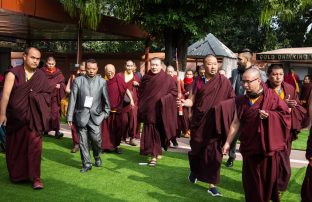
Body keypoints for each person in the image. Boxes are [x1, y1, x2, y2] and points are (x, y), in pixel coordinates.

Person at [222, 68, 291, 202]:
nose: (245, 85)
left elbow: (285, 117)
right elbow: (236, 122)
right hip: (249, 148)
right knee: (250, 182)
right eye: (243, 82)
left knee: (266, 182)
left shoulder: (271, 97)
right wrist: (227, 143)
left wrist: (270, 116)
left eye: (248, 82)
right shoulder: (241, 100)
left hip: (266, 148)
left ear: (259, 81)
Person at [179, 55, 235, 196]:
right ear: (204, 66)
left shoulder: (224, 82)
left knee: (214, 155)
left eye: (215, 64)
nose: (213, 66)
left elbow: (232, 101)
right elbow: (191, 100)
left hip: (216, 124)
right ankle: (195, 170)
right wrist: (186, 103)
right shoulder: (198, 82)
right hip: (199, 122)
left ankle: (211, 184)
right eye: (210, 64)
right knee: (196, 150)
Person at [0, 47, 51, 189]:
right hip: (16, 118)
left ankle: (35, 177)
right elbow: (5, 95)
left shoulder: (41, 76)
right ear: (24, 57)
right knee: (16, 148)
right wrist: (2, 114)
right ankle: (18, 175)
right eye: (32, 57)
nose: (35, 61)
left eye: (38, 58)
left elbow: (47, 96)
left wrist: (35, 96)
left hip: (34, 119)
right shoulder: (13, 74)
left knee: (35, 148)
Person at [265, 64, 306, 191]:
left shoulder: (289, 88)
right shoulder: (263, 89)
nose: (278, 77)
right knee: (269, 161)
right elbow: (259, 108)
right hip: (269, 131)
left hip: (286, 130)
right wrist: (283, 104)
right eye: (274, 74)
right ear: (268, 75)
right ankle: (268, 185)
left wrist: (294, 105)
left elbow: (298, 106)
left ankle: (278, 186)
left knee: (284, 161)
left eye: (281, 74)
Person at [226, 48, 267, 168]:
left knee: (251, 139)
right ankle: (231, 156)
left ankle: (250, 161)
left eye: (239, 59)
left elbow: (263, 91)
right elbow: (231, 88)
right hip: (238, 109)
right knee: (233, 134)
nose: (237, 61)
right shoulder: (235, 72)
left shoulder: (260, 73)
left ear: (247, 59)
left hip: (253, 111)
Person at [67, 59, 110, 173]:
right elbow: (73, 99)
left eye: (94, 69)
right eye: (89, 68)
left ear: (97, 69)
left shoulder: (102, 82)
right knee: (82, 141)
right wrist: (70, 116)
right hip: (81, 116)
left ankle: (96, 156)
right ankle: (86, 163)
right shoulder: (78, 81)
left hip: (96, 117)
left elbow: (107, 104)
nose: (91, 71)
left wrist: (104, 115)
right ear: (85, 68)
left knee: (96, 141)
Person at [138, 57, 177, 166]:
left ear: (161, 66)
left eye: (156, 65)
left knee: (158, 133)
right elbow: (141, 94)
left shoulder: (167, 79)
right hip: (149, 110)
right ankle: (153, 156)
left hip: (161, 111)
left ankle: (156, 151)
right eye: (153, 65)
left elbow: (173, 92)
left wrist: (164, 99)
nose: (154, 67)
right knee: (151, 134)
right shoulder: (146, 78)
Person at [101, 64, 134, 154]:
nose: (110, 73)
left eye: (111, 71)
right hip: (107, 110)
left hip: (118, 109)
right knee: (106, 130)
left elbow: (126, 89)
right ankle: (106, 147)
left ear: (114, 71)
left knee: (118, 129)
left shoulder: (118, 79)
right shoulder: (103, 82)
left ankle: (117, 146)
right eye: (108, 72)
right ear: (105, 72)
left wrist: (131, 100)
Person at [42, 56, 66, 139]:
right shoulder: (42, 72)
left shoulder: (58, 73)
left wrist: (61, 86)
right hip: (45, 97)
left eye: (52, 64)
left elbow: (63, 83)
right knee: (45, 113)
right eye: (49, 63)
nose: (50, 65)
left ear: (55, 64)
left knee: (55, 114)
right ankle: (45, 130)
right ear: (46, 63)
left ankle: (57, 131)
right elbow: (39, 83)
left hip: (55, 97)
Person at [118, 60, 140, 146]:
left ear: (133, 67)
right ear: (125, 66)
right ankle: (121, 136)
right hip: (122, 102)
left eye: (131, 66)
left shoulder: (136, 77)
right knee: (123, 121)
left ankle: (132, 137)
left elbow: (141, 89)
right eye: (128, 66)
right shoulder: (120, 76)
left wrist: (138, 84)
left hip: (133, 102)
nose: (129, 67)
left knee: (133, 119)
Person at [65, 62, 86, 153]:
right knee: (74, 125)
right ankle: (76, 143)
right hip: (74, 104)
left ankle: (85, 143)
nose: (83, 72)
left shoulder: (91, 79)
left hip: (85, 106)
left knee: (85, 125)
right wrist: (75, 93)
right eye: (81, 70)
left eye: (84, 70)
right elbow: (67, 89)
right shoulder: (73, 77)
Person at [182, 69, 194, 138]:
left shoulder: (194, 83)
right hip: (184, 101)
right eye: (187, 74)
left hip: (192, 102)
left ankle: (190, 130)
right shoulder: (182, 82)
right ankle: (186, 131)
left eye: (190, 74)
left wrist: (190, 93)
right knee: (185, 116)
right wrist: (184, 93)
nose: (188, 75)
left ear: (192, 75)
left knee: (191, 116)